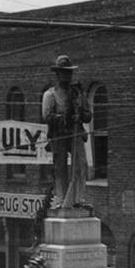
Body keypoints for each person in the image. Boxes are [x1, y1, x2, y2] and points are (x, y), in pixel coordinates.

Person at [41, 54, 93, 211]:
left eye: (69, 72)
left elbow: (88, 115)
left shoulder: (78, 94)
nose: (67, 76)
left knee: (81, 164)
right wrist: (66, 117)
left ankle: (78, 198)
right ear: (57, 74)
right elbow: (47, 116)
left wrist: (81, 114)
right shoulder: (50, 95)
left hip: (76, 132)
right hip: (59, 134)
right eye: (63, 72)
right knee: (60, 166)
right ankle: (61, 198)